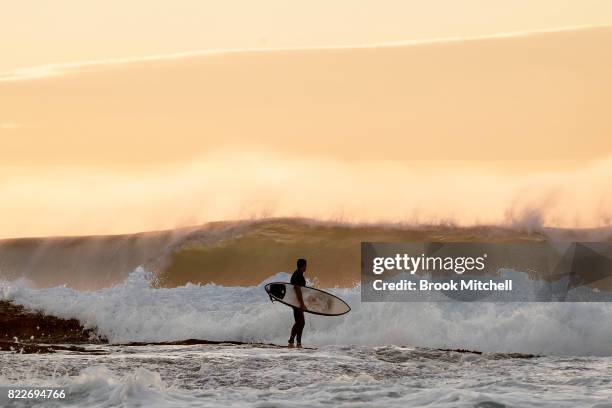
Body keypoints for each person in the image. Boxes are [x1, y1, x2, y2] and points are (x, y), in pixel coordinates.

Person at [288, 258, 307, 348]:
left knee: (301, 322)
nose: (306, 267)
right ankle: (292, 341)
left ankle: (298, 342)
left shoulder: (299, 274)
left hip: (296, 301)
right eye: (305, 265)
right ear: (303, 266)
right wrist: (301, 303)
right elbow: (297, 289)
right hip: (296, 302)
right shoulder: (297, 275)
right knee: (299, 321)